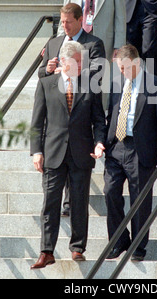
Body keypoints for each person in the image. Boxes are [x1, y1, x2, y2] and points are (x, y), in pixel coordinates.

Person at [30, 41, 106, 268]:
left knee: (80, 203)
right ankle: (46, 251)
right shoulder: (46, 84)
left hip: (81, 153)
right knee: (50, 203)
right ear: (64, 61)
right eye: (78, 61)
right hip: (53, 153)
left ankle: (77, 248)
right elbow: (37, 123)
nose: (82, 65)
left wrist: (100, 142)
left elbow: (99, 121)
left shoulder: (90, 86)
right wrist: (36, 151)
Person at [104, 44, 157, 261]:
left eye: (124, 68)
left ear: (136, 63)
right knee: (110, 190)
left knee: (140, 199)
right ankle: (119, 240)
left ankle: (138, 245)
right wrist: (104, 142)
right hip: (116, 147)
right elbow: (112, 116)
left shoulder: (155, 85)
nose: (122, 72)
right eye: (119, 68)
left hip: (140, 148)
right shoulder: (116, 85)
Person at [39, 2, 106, 217]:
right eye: (62, 22)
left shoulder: (93, 43)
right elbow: (42, 75)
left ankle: (70, 203)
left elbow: (97, 72)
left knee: (76, 155)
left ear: (80, 20)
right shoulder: (54, 43)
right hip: (58, 108)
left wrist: (71, 69)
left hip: (81, 104)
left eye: (68, 22)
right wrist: (49, 69)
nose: (64, 26)